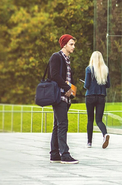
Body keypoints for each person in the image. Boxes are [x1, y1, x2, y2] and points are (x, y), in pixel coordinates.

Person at [49, 34, 78, 164]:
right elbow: (54, 75)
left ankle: (54, 154)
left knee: (57, 125)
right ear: (64, 44)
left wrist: (71, 90)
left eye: (74, 44)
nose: (73, 47)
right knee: (63, 124)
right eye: (71, 44)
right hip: (58, 96)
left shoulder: (67, 59)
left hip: (65, 97)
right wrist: (67, 88)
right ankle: (64, 154)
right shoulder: (57, 57)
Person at [84, 51, 111, 149]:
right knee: (99, 119)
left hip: (90, 96)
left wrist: (87, 85)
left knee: (90, 119)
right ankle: (105, 134)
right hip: (101, 97)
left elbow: (86, 85)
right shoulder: (105, 69)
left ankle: (89, 142)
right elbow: (108, 85)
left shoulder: (89, 69)